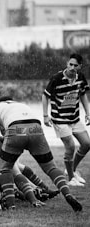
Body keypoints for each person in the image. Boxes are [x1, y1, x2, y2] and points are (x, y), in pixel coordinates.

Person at [0, 96, 82, 212]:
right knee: (51, 168)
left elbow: (4, 131)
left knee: (5, 168)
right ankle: (67, 194)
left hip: (15, 128)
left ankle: (11, 205)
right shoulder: (21, 105)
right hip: (35, 128)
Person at [42, 53, 90, 187]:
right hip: (60, 120)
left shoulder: (80, 77)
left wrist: (87, 113)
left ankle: (72, 170)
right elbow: (45, 96)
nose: (72, 67)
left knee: (86, 144)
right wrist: (45, 116)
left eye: (76, 65)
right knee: (70, 146)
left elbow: (83, 95)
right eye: (70, 64)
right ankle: (70, 178)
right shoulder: (57, 78)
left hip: (74, 118)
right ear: (67, 64)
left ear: (80, 66)